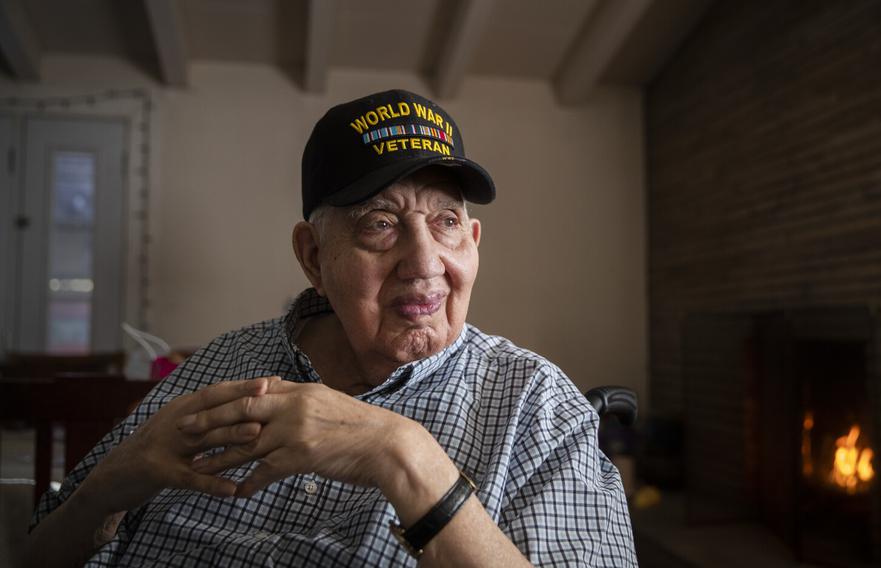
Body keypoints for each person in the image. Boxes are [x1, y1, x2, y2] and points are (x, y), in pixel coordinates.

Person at [27, 90, 637, 566]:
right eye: (380, 223)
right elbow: (34, 555)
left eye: (446, 221)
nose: (425, 263)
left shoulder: (537, 405)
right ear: (314, 257)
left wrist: (406, 457)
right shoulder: (216, 369)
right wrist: (109, 487)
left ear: (472, 243)